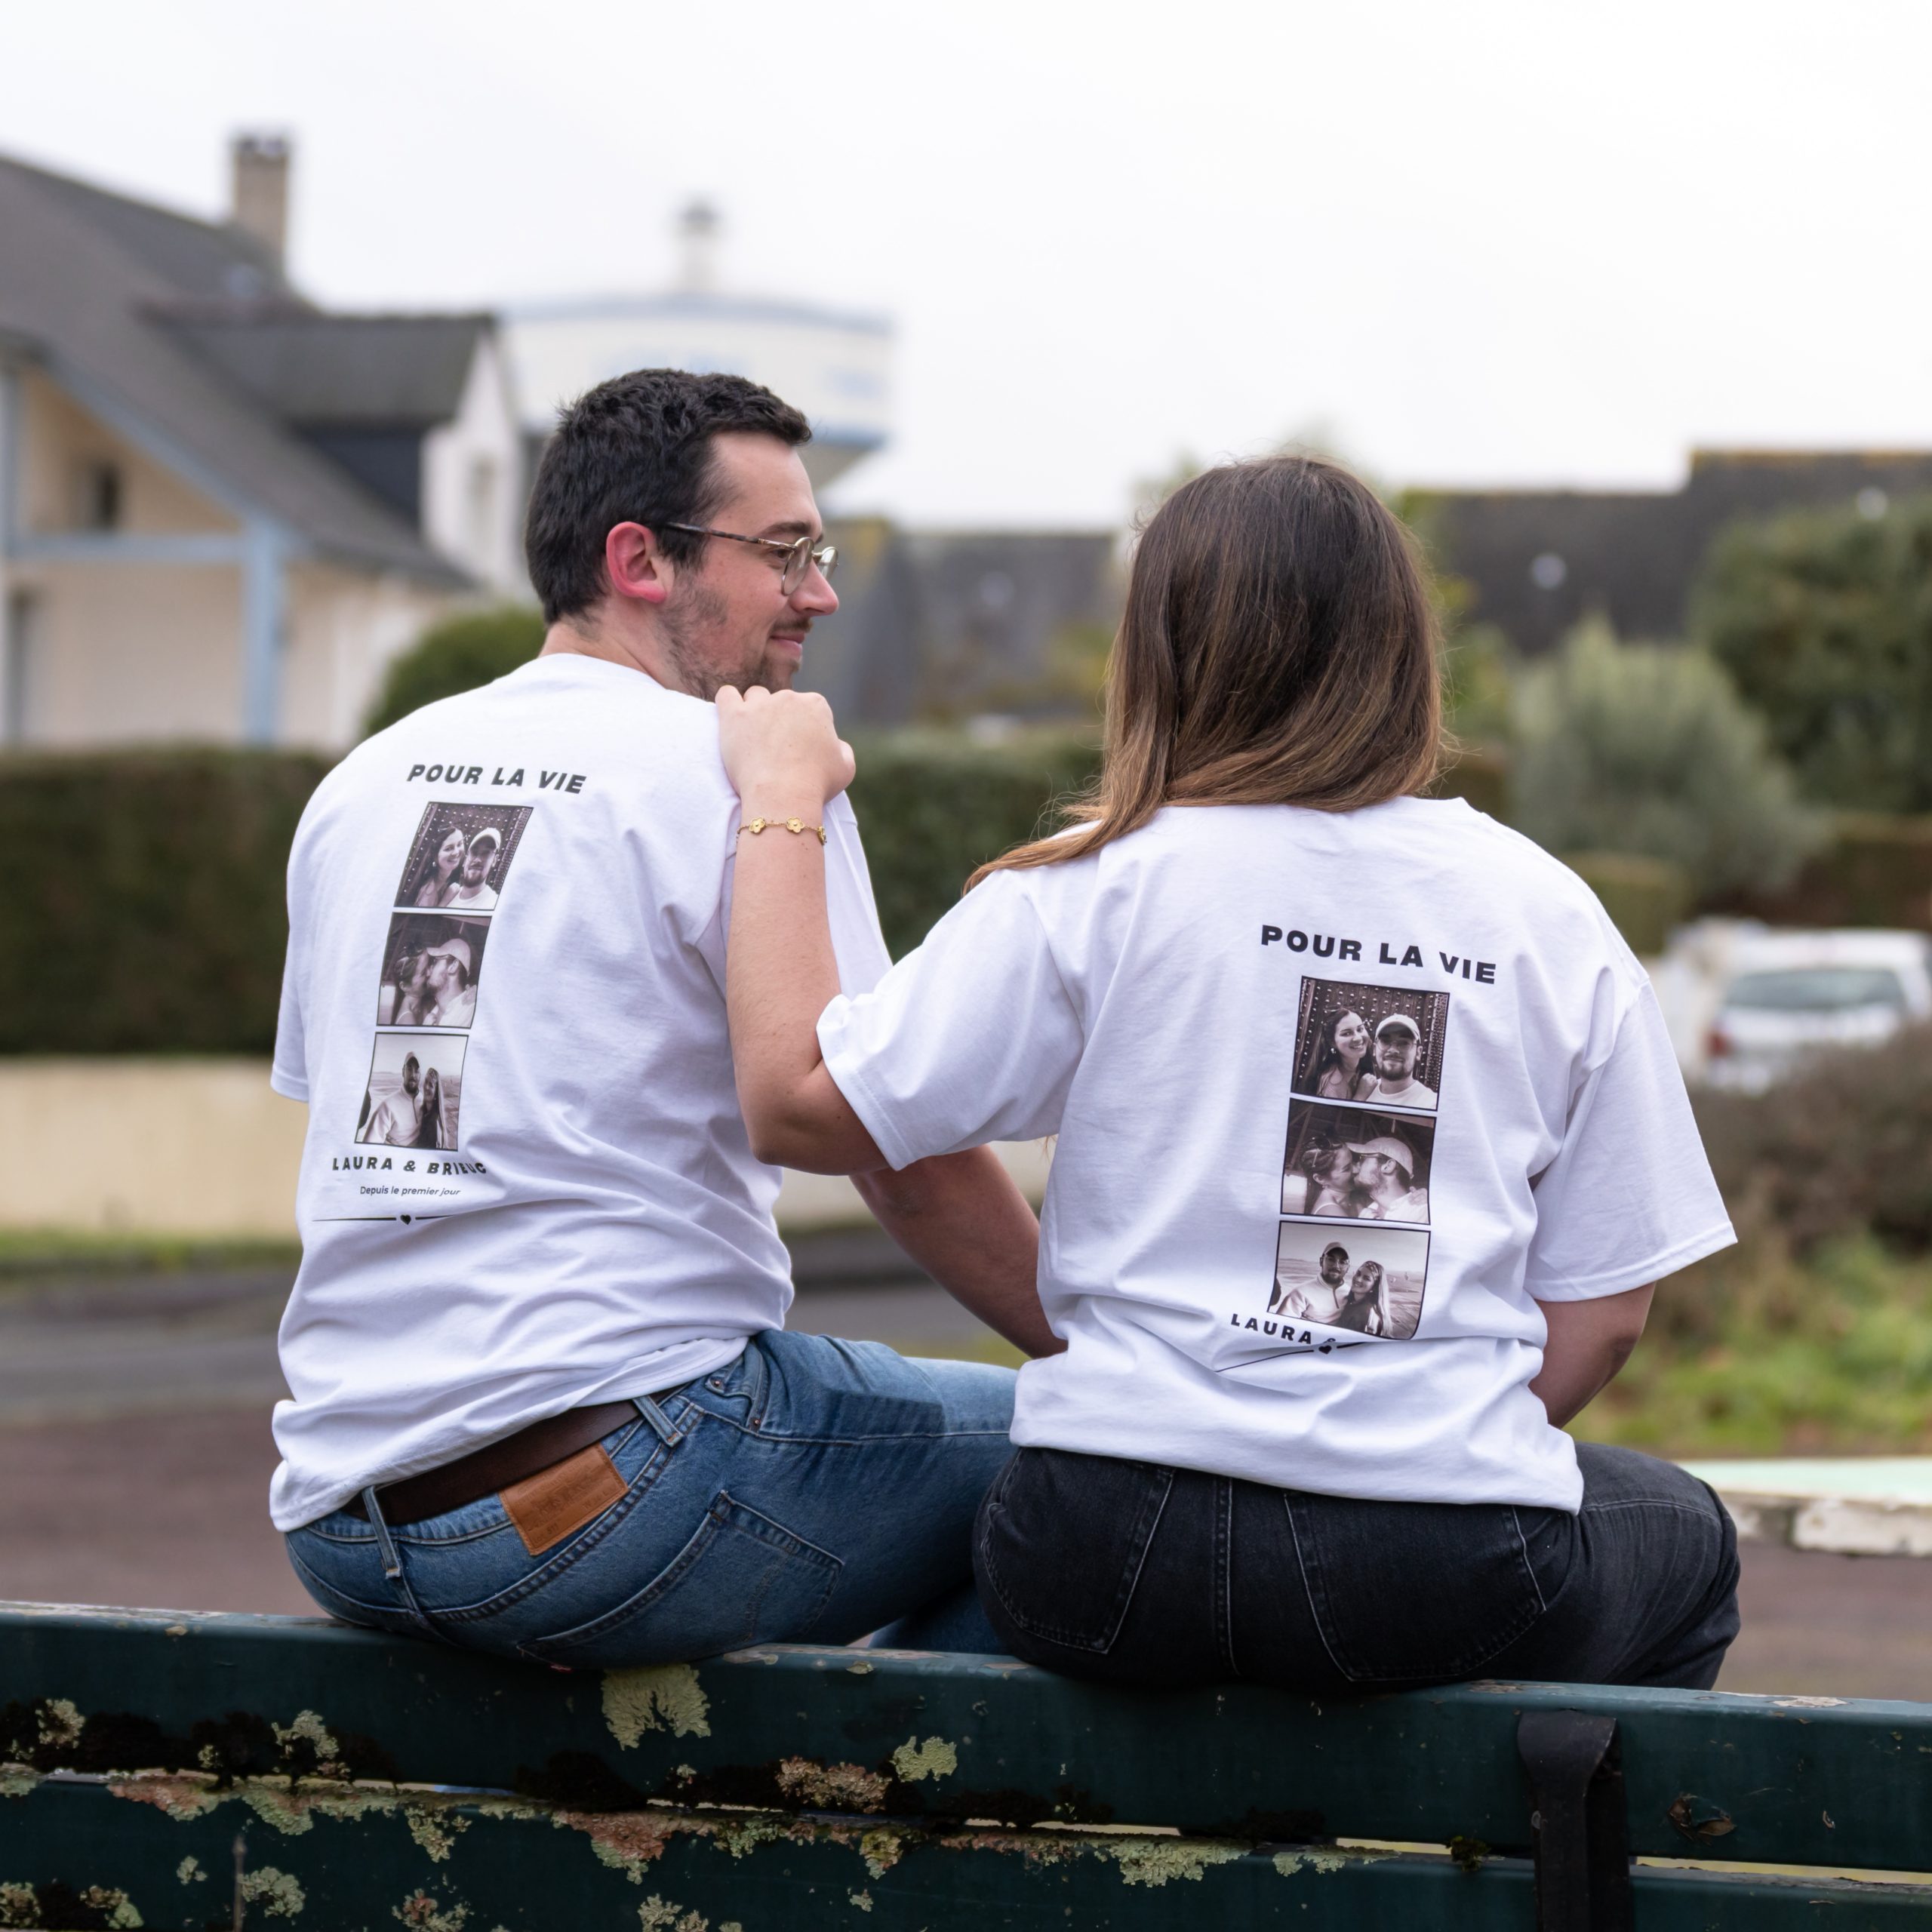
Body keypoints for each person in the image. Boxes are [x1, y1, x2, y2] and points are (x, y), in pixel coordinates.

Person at [713, 451, 1740, 1695]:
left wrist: (779, 802)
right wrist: (1418, 1451)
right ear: (1405, 652)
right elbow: (1608, 1311)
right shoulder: (1549, 914)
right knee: (1685, 1539)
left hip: (1098, 1554)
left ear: (1158, 653)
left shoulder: (1086, 888)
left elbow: (806, 1107)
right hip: (1433, 1574)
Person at [274, 368, 1051, 1669]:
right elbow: (895, 1153)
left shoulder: (360, 784)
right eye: (786, 552)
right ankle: (866, 1853)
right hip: (623, 1495)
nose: (823, 591)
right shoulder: (749, 777)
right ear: (640, 558)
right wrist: (1118, 1363)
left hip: (344, 1517)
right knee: (1091, 1466)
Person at [1349, 1134, 1429, 1222]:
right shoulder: (1366, 1214)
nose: (1356, 1165)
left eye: (1362, 1159)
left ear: (1388, 1166)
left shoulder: (1424, 1215)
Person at [1369, 1013, 1437, 1109]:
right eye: (1385, 1041)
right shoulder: (1364, 1092)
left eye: (1404, 1043)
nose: (1393, 1050)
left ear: (1418, 1053)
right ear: (1374, 1049)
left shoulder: (1430, 1104)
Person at [1308, 1010, 1378, 1101]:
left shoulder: (1360, 1067)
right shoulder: (1333, 1083)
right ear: (1333, 1043)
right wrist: (1361, 1095)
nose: (1358, 1038)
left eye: (1360, 1029)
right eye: (1347, 1033)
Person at [1270, 1240, 1349, 1319]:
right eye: (1331, 1259)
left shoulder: (1351, 1294)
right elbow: (1282, 1324)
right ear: (1321, 1261)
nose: (1336, 1266)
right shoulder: (1300, 1294)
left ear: (1348, 1268)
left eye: (1342, 1262)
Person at [1281, 1140, 1360, 1217]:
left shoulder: (1352, 1198)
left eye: (1354, 1162)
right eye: (1346, 1169)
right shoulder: (1332, 1213)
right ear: (1320, 1179)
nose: (1357, 1170)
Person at [364, 1054, 422, 1146]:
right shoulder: (387, 1106)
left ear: (420, 1075)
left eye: (417, 1071)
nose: (413, 1075)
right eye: (409, 1069)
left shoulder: (425, 1103)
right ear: (403, 1072)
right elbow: (368, 1146)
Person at [420, 937, 476, 1027]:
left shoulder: (468, 1016)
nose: (427, 972)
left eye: (435, 962)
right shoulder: (436, 1009)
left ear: (453, 966)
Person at [443, 829, 503, 910]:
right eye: (474, 852)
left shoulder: (494, 904)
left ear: (494, 861)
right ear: (464, 861)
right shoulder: (449, 895)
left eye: (486, 854)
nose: (478, 860)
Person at [1330, 1260, 1389, 1336]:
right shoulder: (1353, 1303)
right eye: (1358, 1274)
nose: (1358, 1279)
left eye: (1366, 1278)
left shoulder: (1365, 1313)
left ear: (1374, 1287)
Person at [412, 827, 466, 908]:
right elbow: (423, 920)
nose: (456, 852)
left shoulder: (450, 878)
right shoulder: (429, 891)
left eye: (459, 844)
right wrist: (446, 900)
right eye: (448, 849)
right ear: (435, 856)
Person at [411, 1066, 448, 1150]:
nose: (426, 1087)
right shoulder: (425, 1113)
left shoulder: (434, 1122)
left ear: (436, 1093)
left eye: (431, 1085)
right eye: (426, 1082)